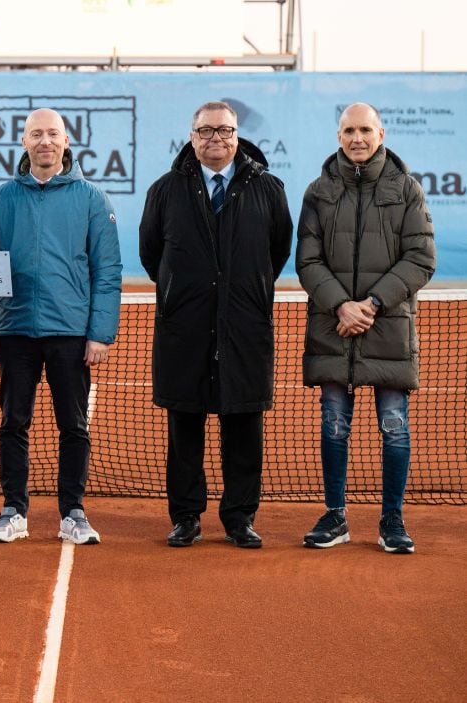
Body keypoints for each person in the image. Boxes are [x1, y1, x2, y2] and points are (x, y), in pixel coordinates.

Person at [139, 100, 293, 549]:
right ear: (192, 137)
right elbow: (153, 256)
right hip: (183, 328)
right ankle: (186, 516)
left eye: (224, 131)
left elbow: (276, 252)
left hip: (245, 327)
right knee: (184, 424)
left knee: (243, 424)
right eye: (206, 131)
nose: (216, 140)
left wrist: (242, 292)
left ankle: (239, 517)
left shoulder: (268, 188)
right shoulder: (165, 190)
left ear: (237, 135)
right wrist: (186, 293)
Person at [0, 108, 121, 546]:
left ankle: (73, 512)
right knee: (12, 423)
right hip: (15, 327)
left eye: (52, 134)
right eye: (36, 134)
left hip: (71, 332)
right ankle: (13, 511)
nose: (45, 141)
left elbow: (107, 270)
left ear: (66, 140)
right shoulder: (2, 198)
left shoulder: (93, 198)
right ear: (24, 142)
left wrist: (100, 332)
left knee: (73, 426)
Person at [296, 102, 435, 554]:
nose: (357, 138)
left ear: (381, 133)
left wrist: (371, 304)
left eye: (365, 130)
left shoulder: (407, 189)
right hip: (334, 328)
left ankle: (392, 519)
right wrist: (340, 306)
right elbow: (308, 260)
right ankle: (335, 516)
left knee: (394, 425)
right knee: (334, 424)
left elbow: (420, 258)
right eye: (349, 130)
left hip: (387, 328)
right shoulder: (318, 191)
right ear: (339, 136)